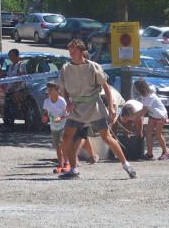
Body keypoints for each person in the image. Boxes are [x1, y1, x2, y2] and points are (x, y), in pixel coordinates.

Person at [57, 39, 136, 180]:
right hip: (76, 109)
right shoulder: (65, 69)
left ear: (81, 51)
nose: (71, 52)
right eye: (70, 50)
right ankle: (74, 170)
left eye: (74, 50)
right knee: (66, 138)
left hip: (94, 107)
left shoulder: (93, 67)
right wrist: (68, 101)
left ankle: (127, 165)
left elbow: (106, 87)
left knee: (106, 137)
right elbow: (63, 89)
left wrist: (111, 107)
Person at [135, 79, 169, 160]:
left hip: (160, 116)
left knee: (158, 135)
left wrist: (136, 118)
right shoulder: (145, 96)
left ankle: (166, 153)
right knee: (148, 134)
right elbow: (143, 109)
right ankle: (150, 154)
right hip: (153, 115)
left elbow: (143, 111)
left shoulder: (149, 97)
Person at [42, 80, 69, 173]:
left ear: (57, 90)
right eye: (48, 89)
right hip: (53, 127)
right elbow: (45, 112)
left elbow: (67, 114)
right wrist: (44, 117)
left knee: (62, 143)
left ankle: (67, 163)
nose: (49, 91)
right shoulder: (47, 101)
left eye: (51, 90)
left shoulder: (61, 101)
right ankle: (60, 164)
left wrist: (60, 118)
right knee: (57, 146)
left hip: (63, 125)